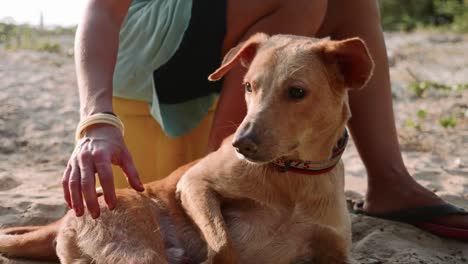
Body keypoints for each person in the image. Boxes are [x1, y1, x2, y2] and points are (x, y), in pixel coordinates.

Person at [63, 0, 468, 239]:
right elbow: (102, 9)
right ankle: (213, 184)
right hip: (136, 41)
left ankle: (389, 182)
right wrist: (96, 121)